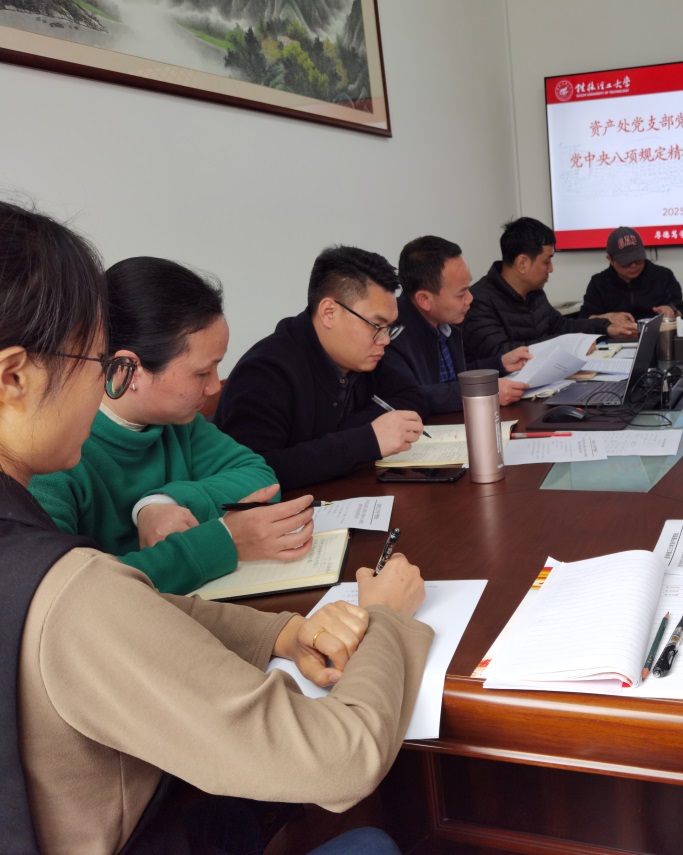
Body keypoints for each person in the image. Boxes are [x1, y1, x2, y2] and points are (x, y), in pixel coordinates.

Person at [0, 200, 430, 855]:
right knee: (370, 841)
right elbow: (341, 760)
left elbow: (128, 604)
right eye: (96, 364)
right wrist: (389, 621)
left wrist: (278, 631)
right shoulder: (63, 582)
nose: (104, 386)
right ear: (14, 376)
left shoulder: (49, 559)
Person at [28, 257, 314, 595]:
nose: (215, 387)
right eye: (202, 373)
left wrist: (161, 502)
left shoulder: (178, 422)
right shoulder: (53, 455)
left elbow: (261, 478)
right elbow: (69, 593)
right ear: (128, 369)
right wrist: (223, 542)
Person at [215, 246, 428, 491]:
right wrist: (365, 439)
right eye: (376, 325)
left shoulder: (363, 355)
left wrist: (348, 434)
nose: (386, 340)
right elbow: (253, 474)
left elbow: (413, 397)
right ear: (329, 312)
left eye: (390, 328)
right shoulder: (264, 372)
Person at [385, 235, 531, 414]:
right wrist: (481, 391)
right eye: (461, 294)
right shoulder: (390, 335)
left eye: (468, 287)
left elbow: (453, 377)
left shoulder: (446, 322)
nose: (470, 299)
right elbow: (408, 396)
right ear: (424, 299)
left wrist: (500, 364)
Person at [462, 216, 638, 363]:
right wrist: (567, 344)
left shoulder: (534, 293)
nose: (551, 268)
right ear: (522, 263)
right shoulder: (479, 301)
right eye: (547, 261)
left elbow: (562, 326)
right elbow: (501, 354)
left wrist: (606, 326)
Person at [581, 226, 683, 320]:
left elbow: (682, 311)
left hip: (658, 334)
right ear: (611, 260)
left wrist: (673, 311)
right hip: (613, 336)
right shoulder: (598, 283)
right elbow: (585, 318)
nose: (633, 266)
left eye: (638, 260)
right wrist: (607, 318)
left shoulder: (663, 276)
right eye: (626, 262)